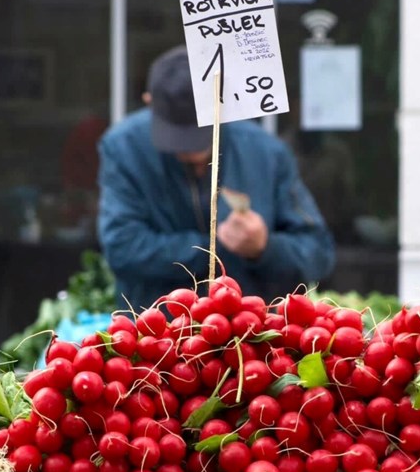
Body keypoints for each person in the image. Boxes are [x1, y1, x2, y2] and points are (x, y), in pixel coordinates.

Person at [97, 45, 335, 309]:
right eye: (176, 136)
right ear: (148, 102)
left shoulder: (267, 153)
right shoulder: (124, 147)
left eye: (200, 132)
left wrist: (265, 248)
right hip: (154, 335)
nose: (190, 151)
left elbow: (318, 253)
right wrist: (216, 247)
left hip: (250, 334)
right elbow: (122, 248)